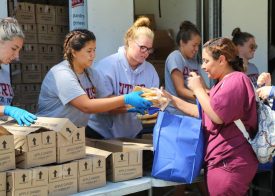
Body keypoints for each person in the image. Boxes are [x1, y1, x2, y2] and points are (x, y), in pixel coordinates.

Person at [164, 37, 258, 195]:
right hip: (223, 162)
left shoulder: (236, 80)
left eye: (206, 61)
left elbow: (217, 116)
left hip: (230, 162)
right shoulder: (223, 82)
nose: (203, 66)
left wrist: (198, 89)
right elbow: (203, 111)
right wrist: (171, 100)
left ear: (221, 60)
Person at [37, 29, 152, 128]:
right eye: (89, 51)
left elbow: (107, 100)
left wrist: (131, 107)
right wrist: (126, 99)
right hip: (49, 132)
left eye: (94, 50)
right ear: (74, 52)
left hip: (73, 134)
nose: (93, 55)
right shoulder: (62, 74)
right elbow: (86, 106)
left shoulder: (91, 73)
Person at [86, 16, 159, 139]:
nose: (146, 53)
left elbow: (153, 102)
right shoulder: (107, 66)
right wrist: (130, 105)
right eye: (142, 47)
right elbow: (101, 105)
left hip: (132, 133)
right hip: (101, 133)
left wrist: (155, 104)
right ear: (129, 42)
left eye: (149, 49)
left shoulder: (150, 71)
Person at [164, 20, 206, 116]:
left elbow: (203, 86)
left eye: (198, 45)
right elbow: (180, 90)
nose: (196, 49)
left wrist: (212, 94)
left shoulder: (194, 61)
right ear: (182, 42)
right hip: (177, 113)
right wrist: (203, 96)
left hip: (191, 112)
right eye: (194, 45)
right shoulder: (175, 57)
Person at [0, 17, 36, 126]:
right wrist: (8, 110)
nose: (16, 56)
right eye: (14, 49)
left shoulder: (5, 74)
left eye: (19, 51)